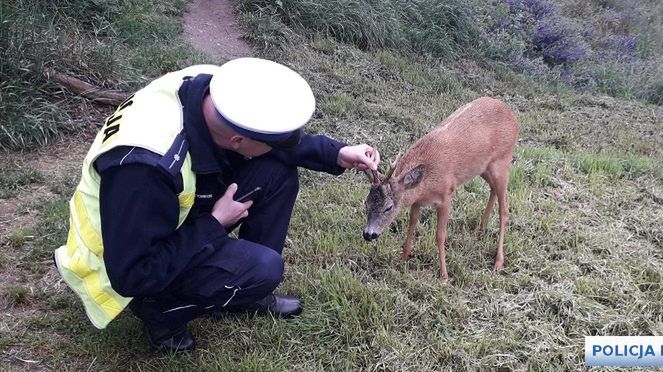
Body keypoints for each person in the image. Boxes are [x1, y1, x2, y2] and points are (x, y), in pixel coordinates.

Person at [53, 58, 380, 352]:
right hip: (121, 264)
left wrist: (335, 153)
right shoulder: (147, 168)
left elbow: (267, 139)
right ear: (238, 142)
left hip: (156, 218)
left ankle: (242, 293)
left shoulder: (215, 88)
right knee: (264, 268)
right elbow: (134, 273)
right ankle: (160, 312)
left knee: (276, 171)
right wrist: (215, 223)